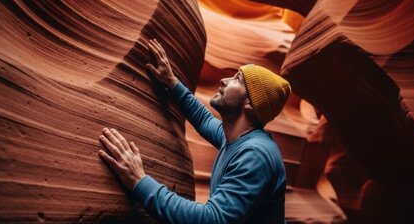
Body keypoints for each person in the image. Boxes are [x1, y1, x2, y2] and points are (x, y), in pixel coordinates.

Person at [98, 38, 291, 223]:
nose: (224, 80)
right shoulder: (237, 137)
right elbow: (204, 120)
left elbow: (211, 219)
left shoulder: (255, 155)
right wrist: (172, 82)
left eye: (237, 79)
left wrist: (138, 181)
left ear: (250, 104)